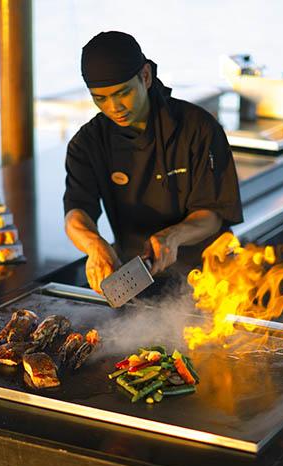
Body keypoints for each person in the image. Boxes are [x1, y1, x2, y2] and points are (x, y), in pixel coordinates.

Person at [63, 31, 243, 294]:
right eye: (100, 98)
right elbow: (76, 212)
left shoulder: (197, 128)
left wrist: (173, 235)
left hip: (209, 278)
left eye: (122, 93)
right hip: (137, 278)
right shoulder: (87, 142)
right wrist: (94, 245)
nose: (114, 107)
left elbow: (213, 215)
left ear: (145, 76)